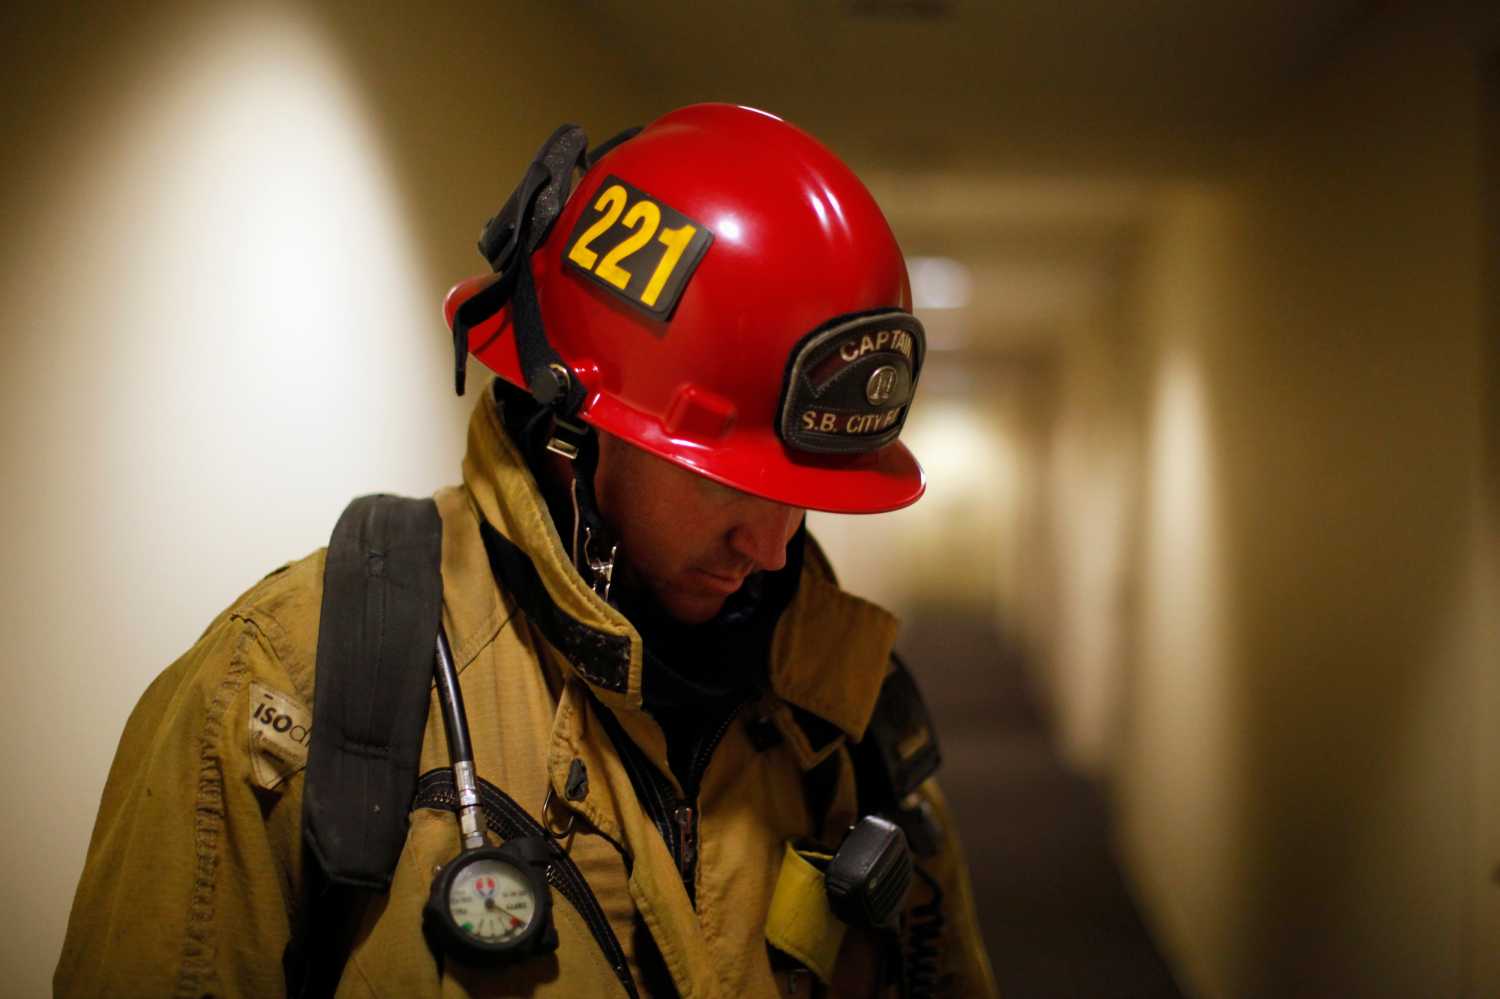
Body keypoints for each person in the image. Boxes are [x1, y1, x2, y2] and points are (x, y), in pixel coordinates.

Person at [56, 103, 998, 998]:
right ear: (574, 425)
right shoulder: (286, 691)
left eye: (803, 495)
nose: (775, 547)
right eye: (728, 482)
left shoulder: (845, 708)